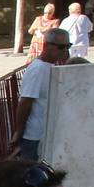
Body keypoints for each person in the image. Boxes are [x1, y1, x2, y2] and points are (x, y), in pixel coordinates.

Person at [14, 27, 69, 161]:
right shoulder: (38, 69)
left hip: (45, 134)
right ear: (46, 46)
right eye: (61, 47)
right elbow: (25, 102)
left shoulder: (51, 66)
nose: (65, 50)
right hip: (34, 136)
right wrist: (19, 131)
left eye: (68, 46)